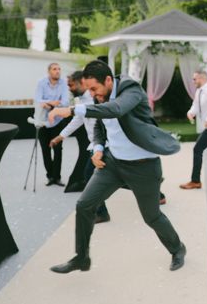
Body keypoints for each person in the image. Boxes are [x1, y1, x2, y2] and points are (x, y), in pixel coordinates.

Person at [47, 60, 186, 273]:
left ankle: (177, 249)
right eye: (89, 90)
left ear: (109, 80)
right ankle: (81, 258)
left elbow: (115, 110)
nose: (92, 94)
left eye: (95, 88)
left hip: (143, 167)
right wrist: (98, 148)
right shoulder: (100, 97)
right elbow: (100, 126)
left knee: (152, 216)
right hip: (113, 164)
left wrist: (73, 110)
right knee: (84, 205)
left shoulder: (131, 90)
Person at [50, 71, 110, 223]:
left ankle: (101, 213)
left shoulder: (95, 97)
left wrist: (68, 110)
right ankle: (101, 212)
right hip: (97, 145)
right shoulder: (81, 100)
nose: (69, 88)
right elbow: (78, 119)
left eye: (71, 85)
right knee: (95, 175)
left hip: (106, 144)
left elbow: (87, 112)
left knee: (92, 175)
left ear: (81, 82)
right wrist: (61, 136)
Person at [34, 62, 69, 186]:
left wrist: (48, 103)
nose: (58, 71)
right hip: (43, 122)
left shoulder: (63, 83)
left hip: (58, 121)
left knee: (58, 149)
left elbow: (65, 102)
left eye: (59, 69)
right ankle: (50, 176)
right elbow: (38, 100)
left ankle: (57, 177)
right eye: (55, 69)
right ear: (49, 71)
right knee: (45, 150)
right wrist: (54, 102)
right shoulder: (41, 83)